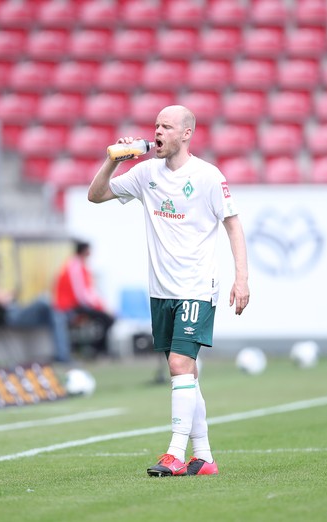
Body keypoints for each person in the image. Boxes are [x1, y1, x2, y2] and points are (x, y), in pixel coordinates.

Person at [88, 105, 250, 477]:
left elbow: (234, 225)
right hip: (161, 291)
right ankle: (204, 457)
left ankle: (175, 453)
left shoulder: (208, 176)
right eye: (155, 125)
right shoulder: (144, 173)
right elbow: (96, 196)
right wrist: (113, 159)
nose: (157, 132)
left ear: (186, 133)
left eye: (166, 126)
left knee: (179, 365)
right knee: (186, 375)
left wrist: (241, 278)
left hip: (196, 286)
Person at [0, 250, 72, 364]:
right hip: (9, 316)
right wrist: (10, 295)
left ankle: (62, 355)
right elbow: (1, 299)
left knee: (55, 315)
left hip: (14, 312)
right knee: (44, 300)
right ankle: (63, 355)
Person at [53, 240, 115, 357]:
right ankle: (97, 349)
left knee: (107, 318)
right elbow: (81, 295)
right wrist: (99, 307)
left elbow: (88, 291)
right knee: (107, 318)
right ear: (84, 251)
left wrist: (101, 306)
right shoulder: (75, 266)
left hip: (75, 304)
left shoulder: (79, 265)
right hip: (70, 306)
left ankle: (97, 349)